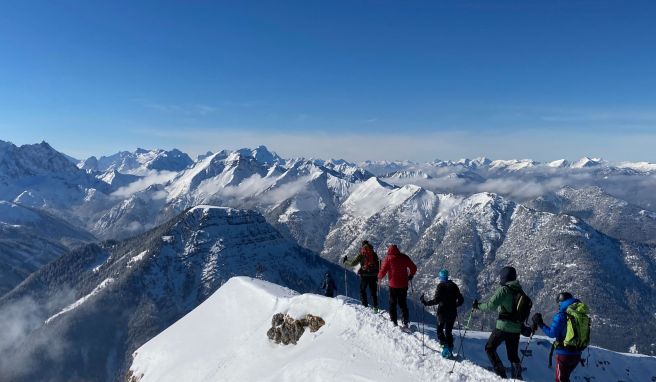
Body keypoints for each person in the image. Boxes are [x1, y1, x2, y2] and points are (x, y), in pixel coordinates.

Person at [472, 266, 524, 380]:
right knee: (513, 355)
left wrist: (478, 306)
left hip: (503, 327)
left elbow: (491, 305)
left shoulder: (504, 289)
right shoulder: (519, 290)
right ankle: (517, 377)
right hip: (516, 329)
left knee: (489, 348)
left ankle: (501, 375)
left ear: (503, 277)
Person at [532, 292, 587, 382]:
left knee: (560, 380)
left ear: (561, 302)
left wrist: (540, 323)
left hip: (564, 355)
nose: (558, 305)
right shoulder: (579, 314)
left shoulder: (561, 315)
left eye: (558, 302)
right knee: (565, 379)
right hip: (577, 354)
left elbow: (552, 333)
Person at [420, 269, 464, 358]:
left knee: (440, 330)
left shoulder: (440, 286)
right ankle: (450, 348)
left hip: (442, 312)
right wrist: (455, 305)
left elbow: (436, 300)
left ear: (440, 277)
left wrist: (425, 303)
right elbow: (461, 300)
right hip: (452, 312)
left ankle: (445, 347)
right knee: (448, 331)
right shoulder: (454, 286)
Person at [377, 244, 417, 328]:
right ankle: (405, 322)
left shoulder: (388, 258)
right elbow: (413, 267)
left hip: (393, 286)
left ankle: (394, 321)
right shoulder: (404, 257)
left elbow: (383, 270)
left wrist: (379, 277)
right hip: (403, 284)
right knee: (403, 304)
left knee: (392, 303)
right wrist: (411, 275)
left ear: (389, 251)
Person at [342, 240, 379, 311]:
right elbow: (378, 264)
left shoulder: (362, 254)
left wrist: (346, 261)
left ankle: (365, 305)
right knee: (373, 292)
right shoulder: (373, 253)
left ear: (362, 246)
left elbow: (353, 263)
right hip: (373, 275)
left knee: (362, 290)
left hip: (364, 275)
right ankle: (375, 308)